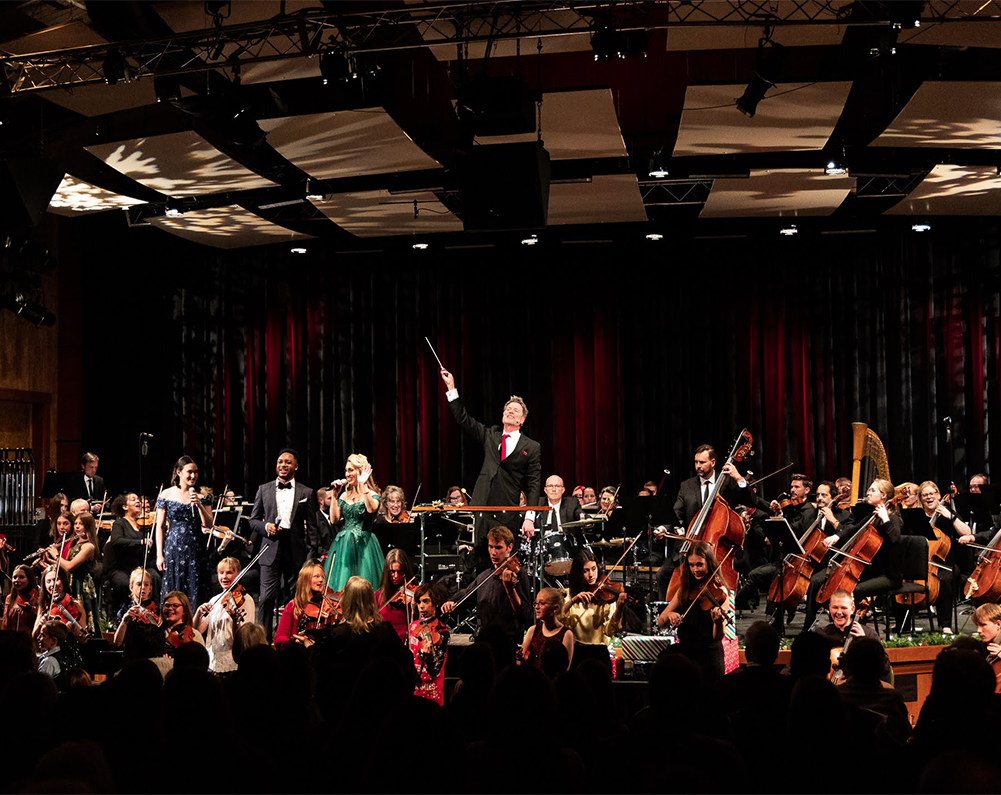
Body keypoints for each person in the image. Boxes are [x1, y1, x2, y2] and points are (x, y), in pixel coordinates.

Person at [654, 444, 769, 600]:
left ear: (713, 462)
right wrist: (663, 527)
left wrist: (739, 479)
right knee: (663, 575)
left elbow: (751, 500)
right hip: (691, 543)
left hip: (716, 549)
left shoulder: (727, 483)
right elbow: (676, 513)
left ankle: (724, 615)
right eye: (696, 462)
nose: (698, 466)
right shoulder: (686, 486)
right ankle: (666, 618)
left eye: (702, 462)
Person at [440, 367, 541, 541]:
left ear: (522, 420)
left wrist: (529, 517)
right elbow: (464, 419)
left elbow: (533, 483)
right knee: (480, 561)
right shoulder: (490, 436)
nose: (510, 411)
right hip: (482, 509)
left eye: (515, 410)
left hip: (507, 512)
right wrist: (451, 388)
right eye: (507, 409)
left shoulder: (531, 446)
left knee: (505, 562)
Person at [248, 448, 318, 641]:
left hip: (296, 551)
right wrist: (266, 526)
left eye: (288, 462)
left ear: (296, 466)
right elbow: (253, 520)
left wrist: (310, 558)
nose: (283, 465)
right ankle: (262, 640)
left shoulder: (307, 492)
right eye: (280, 462)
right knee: (267, 598)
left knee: (294, 600)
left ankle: (289, 639)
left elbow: (312, 528)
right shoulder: (264, 489)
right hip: (270, 548)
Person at [441, 526, 532, 646]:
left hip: (508, 641)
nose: (493, 553)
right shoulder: (484, 575)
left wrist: (510, 589)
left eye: (498, 547)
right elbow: (468, 593)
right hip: (484, 640)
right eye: (491, 547)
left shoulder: (518, 573)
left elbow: (525, 613)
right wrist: (452, 601)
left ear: (509, 547)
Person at [657, 540, 729, 683]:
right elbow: (661, 621)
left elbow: (718, 636)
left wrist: (718, 622)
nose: (695, 569)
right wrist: (670, 615)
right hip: (686, 652)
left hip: (708, 653)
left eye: (699, 564)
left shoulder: (720, 592)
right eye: (691, 565)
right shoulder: (684, 589)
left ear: (709, 563)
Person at [155, 455, 214, 611]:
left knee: (196, 587)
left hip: (196, 548)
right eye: (189, 472)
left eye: (196, 472)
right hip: (173, 549)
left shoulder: (202, 496)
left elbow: (208, 524)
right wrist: (159, 555)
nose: (193, 476)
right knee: (174, 587)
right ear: (179, 472)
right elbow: (159, 526)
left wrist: (199, 505)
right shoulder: (166, 495)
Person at [916, 480, 971, 635]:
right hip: (922, 562)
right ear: (921, 498)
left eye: (931, 494)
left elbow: (967, 532)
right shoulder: (918, 516)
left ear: (938, 495)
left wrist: (951, 517)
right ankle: (904, 622)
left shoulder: (947, 513)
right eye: (924, 495)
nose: (928, 497)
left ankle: (945, 623)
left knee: (945, 580)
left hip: (946, 563)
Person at [323, 453, 383, 592]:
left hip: (364, 545)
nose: (347, 474)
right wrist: (335, 496)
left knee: (364, 583)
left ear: (360, 472)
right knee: (342, 584)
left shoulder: (372, 493)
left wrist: (363, 486)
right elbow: (334, 519)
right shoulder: (345, 495)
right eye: (346, 470)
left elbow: (371, 508)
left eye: (351, 470)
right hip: (344, 545)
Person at [561, 550, 625, 675]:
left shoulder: (604, 595)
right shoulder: (569, 595)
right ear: (578, 573)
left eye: (594, 569)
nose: (591, 575)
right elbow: (560, 621)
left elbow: (610, 630)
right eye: (586, 571)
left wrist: (619, 610)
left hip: (599, 652)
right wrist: (573, 601)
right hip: (576, 651)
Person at [194, 556, 255, 674]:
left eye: (229, 573)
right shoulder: (214, 600)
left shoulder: (246, 600)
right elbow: (197, 631)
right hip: (212, 661)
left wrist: (235, 618)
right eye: (221, 573)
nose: (224, 577)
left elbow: (243, 638)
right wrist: (198, 613)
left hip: (232, 661)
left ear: (238, 574)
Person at [105, 493, 160, 615]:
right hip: (122, 567)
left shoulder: (144, 524)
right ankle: (123, 614)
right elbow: (116, 541)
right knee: (123, 583)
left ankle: (153, 612)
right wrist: (140, 542)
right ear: (125, 506)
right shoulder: (120, 523)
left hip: (140, 566)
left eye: (138, 500)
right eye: (133, 499)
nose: (138, 502)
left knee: (155, 577)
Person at [45, 511, 99, 635]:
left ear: (88, 526)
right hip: (71, 582)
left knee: (83, 614)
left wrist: (56, 554)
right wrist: (47, 559)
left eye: (81, 524)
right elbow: (64, 565)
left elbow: (70, 566)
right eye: (76, 523)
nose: (77, 527)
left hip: (82, 585)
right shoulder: (74, 544)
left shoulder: (89, 547)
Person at [34, 564, 87, 669]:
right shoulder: (44, 606)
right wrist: (40, 625)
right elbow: (34, 636)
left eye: (56, 580)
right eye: (48, 581)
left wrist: (74, 632)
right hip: (49, 656)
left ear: (63, 581)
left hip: (69, 657)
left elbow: (84, 639)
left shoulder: (74, 604)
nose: (53, 584)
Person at [408, 582, 450, 705]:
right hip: (413, 692)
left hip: (432, 694)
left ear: (436, 603)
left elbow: (435, 671)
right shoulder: (413, 626)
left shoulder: (442, 632)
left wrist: (427, 655)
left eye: (426, 602)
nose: (421, 606)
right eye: (419, 602)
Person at [274, 559, 327, 650]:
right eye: (316, 576)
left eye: (322, 577)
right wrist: (293, 640)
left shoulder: (326, 604)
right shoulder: (293, 606)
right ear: (306, 579)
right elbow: (278, 638)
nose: (321, 580)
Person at [521, 587, 574, 672]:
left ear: (555, 608)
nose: (537, 607)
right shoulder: (533, 630)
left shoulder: (566, 634)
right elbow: (521, 658)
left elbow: (565, 668)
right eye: (536, 603)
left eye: (542, 603)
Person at [813, 588, 880, 650]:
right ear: (829, 608)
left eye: (843, 608)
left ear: (852, 609)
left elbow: (882, 662)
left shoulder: (869, 634)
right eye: (835, 607)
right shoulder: (821, 636)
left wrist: (864, 642)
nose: (839, 612)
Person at [374, 548, 415, 643]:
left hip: (404, 643)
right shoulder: (377, 596)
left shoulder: (411, 593)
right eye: (392, 571)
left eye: (400, 571)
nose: (396, 576)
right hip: (383, 643)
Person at [973, 602, 1001, 693]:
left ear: (998, 624)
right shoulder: (981, 647)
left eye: (983, 625)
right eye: (977, 625)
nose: (978, 630)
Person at [2, 564, 38, 633]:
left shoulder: (36, 597)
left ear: (29, 579)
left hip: (29, 640)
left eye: (21, 577)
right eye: (15, 577)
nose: (17, 580)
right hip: (12, 640)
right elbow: (5, 624)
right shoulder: (10, 598)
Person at [36, 620, 68, 685]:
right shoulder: (58, 655)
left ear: (53, 640)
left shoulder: (49, 662)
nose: (38, 638)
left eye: (42, 635)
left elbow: (40, 685)